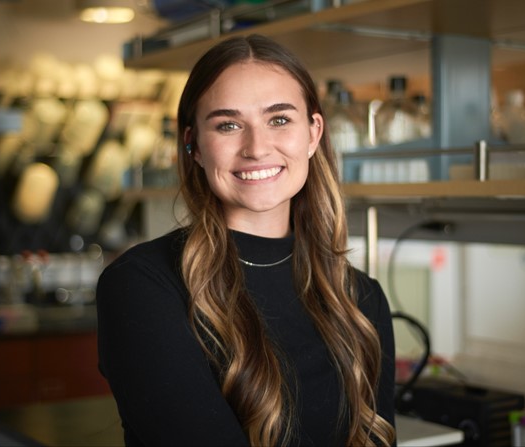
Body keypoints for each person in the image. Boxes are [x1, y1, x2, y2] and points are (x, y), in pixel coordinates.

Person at [96, 34, 396, 447]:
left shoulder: (359, 299)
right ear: (194, 146)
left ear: (313, 133)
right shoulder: (143, 287)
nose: (256, 148)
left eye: (279, 119)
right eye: (228, 125)